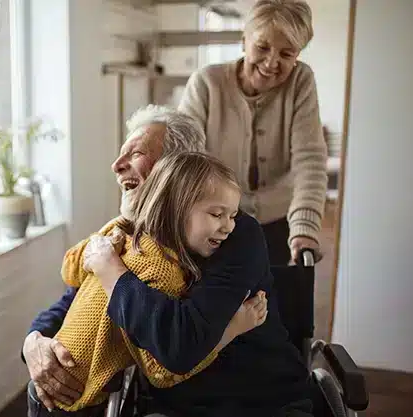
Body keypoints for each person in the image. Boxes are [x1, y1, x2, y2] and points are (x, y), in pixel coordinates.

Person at [23, 105, 313, 416]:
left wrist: (111, 270)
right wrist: (35, 341)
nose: (116, 165)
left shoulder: (233, 236)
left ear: (176, 170)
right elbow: (77, 297)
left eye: (135, 154)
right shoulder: (133, 233)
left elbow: (180, 347)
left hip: (256, 403)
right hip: (170, 406)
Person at [31, 152, 268, 416]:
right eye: (217, 214)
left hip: (53, 393)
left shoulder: (125, 240)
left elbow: (70, 271)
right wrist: (233, 328)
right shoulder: (159, 270)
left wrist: (109, 232)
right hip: (71, 401)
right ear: (176, 208)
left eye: (232, 216)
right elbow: (161, 372)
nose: (229, 227)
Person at [178, 0, 328, 265]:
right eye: (262, 47)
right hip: (214, 221)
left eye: (286, 54)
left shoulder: (300, 82)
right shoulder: (206, 83)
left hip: (278, 220)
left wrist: (305, 227)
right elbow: (182, 157)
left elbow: (310, 160)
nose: (272, 62)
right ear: (244, 40)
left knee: (272, 300)